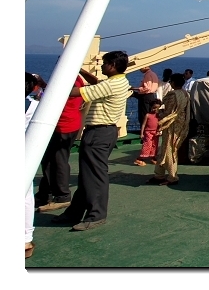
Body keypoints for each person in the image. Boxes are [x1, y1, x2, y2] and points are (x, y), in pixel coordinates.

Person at [52, 50, 131, 231]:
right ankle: (74, 213)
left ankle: (96, 215)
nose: (101, 66)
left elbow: (75, 92)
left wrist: (52, 87)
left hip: (98, 133)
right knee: (88, 176)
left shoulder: (111, 85)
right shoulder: (119, 81)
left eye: (104, 63)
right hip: (104, 132)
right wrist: (80, 70)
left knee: (95, 176)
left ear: (111, 66)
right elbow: (97, 83)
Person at [35, 73, 85, 212]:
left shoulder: (69, 80)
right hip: (70, 124)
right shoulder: (77, 79)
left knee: (58, 161)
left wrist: (42, 84)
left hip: (64, 126)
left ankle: (62, 196)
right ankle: (45, 194)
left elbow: (57, 94)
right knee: (50, 161)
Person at [148, 73, 190, 186]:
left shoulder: (173, 94)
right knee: (167, 149)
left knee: (169, 150)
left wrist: (159, 113)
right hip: (180, 124)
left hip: (171, 125)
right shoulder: (185, 93)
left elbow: (168, 112)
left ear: (173, 83)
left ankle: (172, 177)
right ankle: (159, 175)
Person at [25, 73, 47, 258]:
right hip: (26, 155)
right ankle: (25, 237)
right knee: (25, 195)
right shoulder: (37, 106)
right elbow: (53, 95)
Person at [134, 99, 162, 166]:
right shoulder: (148, 115)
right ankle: (140, 158)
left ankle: (153, 157)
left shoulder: (159, 116)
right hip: (148, 132)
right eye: (154, 108)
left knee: (154, 145)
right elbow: (143, 124)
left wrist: (159, 131)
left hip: (155, 132)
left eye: (157, 108)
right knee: (147, 145)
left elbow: (160, 124)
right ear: (151, 107)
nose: (155, 109)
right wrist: (141, 133)